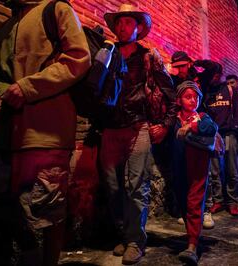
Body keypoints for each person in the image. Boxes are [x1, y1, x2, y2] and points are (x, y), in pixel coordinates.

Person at [0, 0, 91, 265]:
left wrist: (27, 87)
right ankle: (29, 254)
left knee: (49, 211)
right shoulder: (2, 29)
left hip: (46, 131)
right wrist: (4, 90)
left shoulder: (56, 9)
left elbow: (78, 58)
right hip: (4, 134)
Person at [100, 4, 176, 264]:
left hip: (139, 127)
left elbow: (169, 92)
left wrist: (165, 123)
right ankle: (123, 234)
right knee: (111, 187)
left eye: (128, 23)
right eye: (119, 23)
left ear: (138, 27)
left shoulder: (148, 56)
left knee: (136, 185)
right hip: (110, 128)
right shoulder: (108, 53)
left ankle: (135, 240)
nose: (122, 28)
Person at [172, 80, 218, 265]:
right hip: (178, 168)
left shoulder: (201, 116)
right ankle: (192, 234)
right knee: (183, 201)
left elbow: (211, 128)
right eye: (188, 97)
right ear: (179, 100)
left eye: (195, 97)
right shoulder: (173, 119)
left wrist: (190, 126)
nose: (193, 100)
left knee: (194, 202)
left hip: (198, 168)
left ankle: (192, 245)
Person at [205, 74, 238, 215]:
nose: (213, 77)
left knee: (232, 169)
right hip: (214, 134)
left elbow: (237, 109)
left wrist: (235, 125)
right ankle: (218, 201)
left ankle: (232, 202)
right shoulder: (208, 91)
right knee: (215, 171)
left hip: (228, 134)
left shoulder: (230, 89)